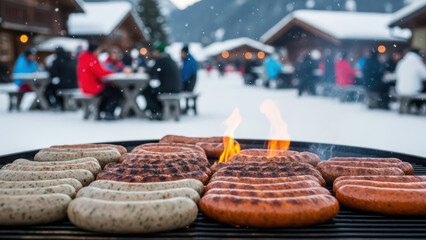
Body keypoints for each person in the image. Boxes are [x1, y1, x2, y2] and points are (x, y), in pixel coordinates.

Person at [77, 42, 120, 120]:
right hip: (93, 87)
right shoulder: (91, 59)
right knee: (116, 92)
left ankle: (102, 110)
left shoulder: (84, 58)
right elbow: (101, 73)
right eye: (98, 50)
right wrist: (113, 72)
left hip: (85, 86)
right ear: (95, 50)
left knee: (110, 90)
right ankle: (108, 112)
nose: (99, 52)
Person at [142, 41, 182, 120]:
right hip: (176, 87)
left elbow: (152, 72)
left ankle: (156, 112)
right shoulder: (169, 59)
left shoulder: (161, 60)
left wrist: (143, 70)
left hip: (169, 89)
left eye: (155, 51)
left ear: (158, 52)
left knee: (146, 90)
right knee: (152, 90)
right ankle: (158, 109)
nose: (153, 53)